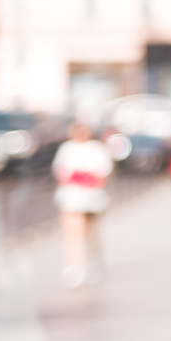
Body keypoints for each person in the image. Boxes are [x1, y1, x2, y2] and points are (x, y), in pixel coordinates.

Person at [52, 119, 113, 287]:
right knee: (72, 233)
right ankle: (74, 266)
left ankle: (94, 262)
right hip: (71, 199)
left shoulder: (97, 149)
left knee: (91, 233)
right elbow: (61, 174)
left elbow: (101, 176)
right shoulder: (67, 149)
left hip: (91, 199)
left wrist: (82, 177)